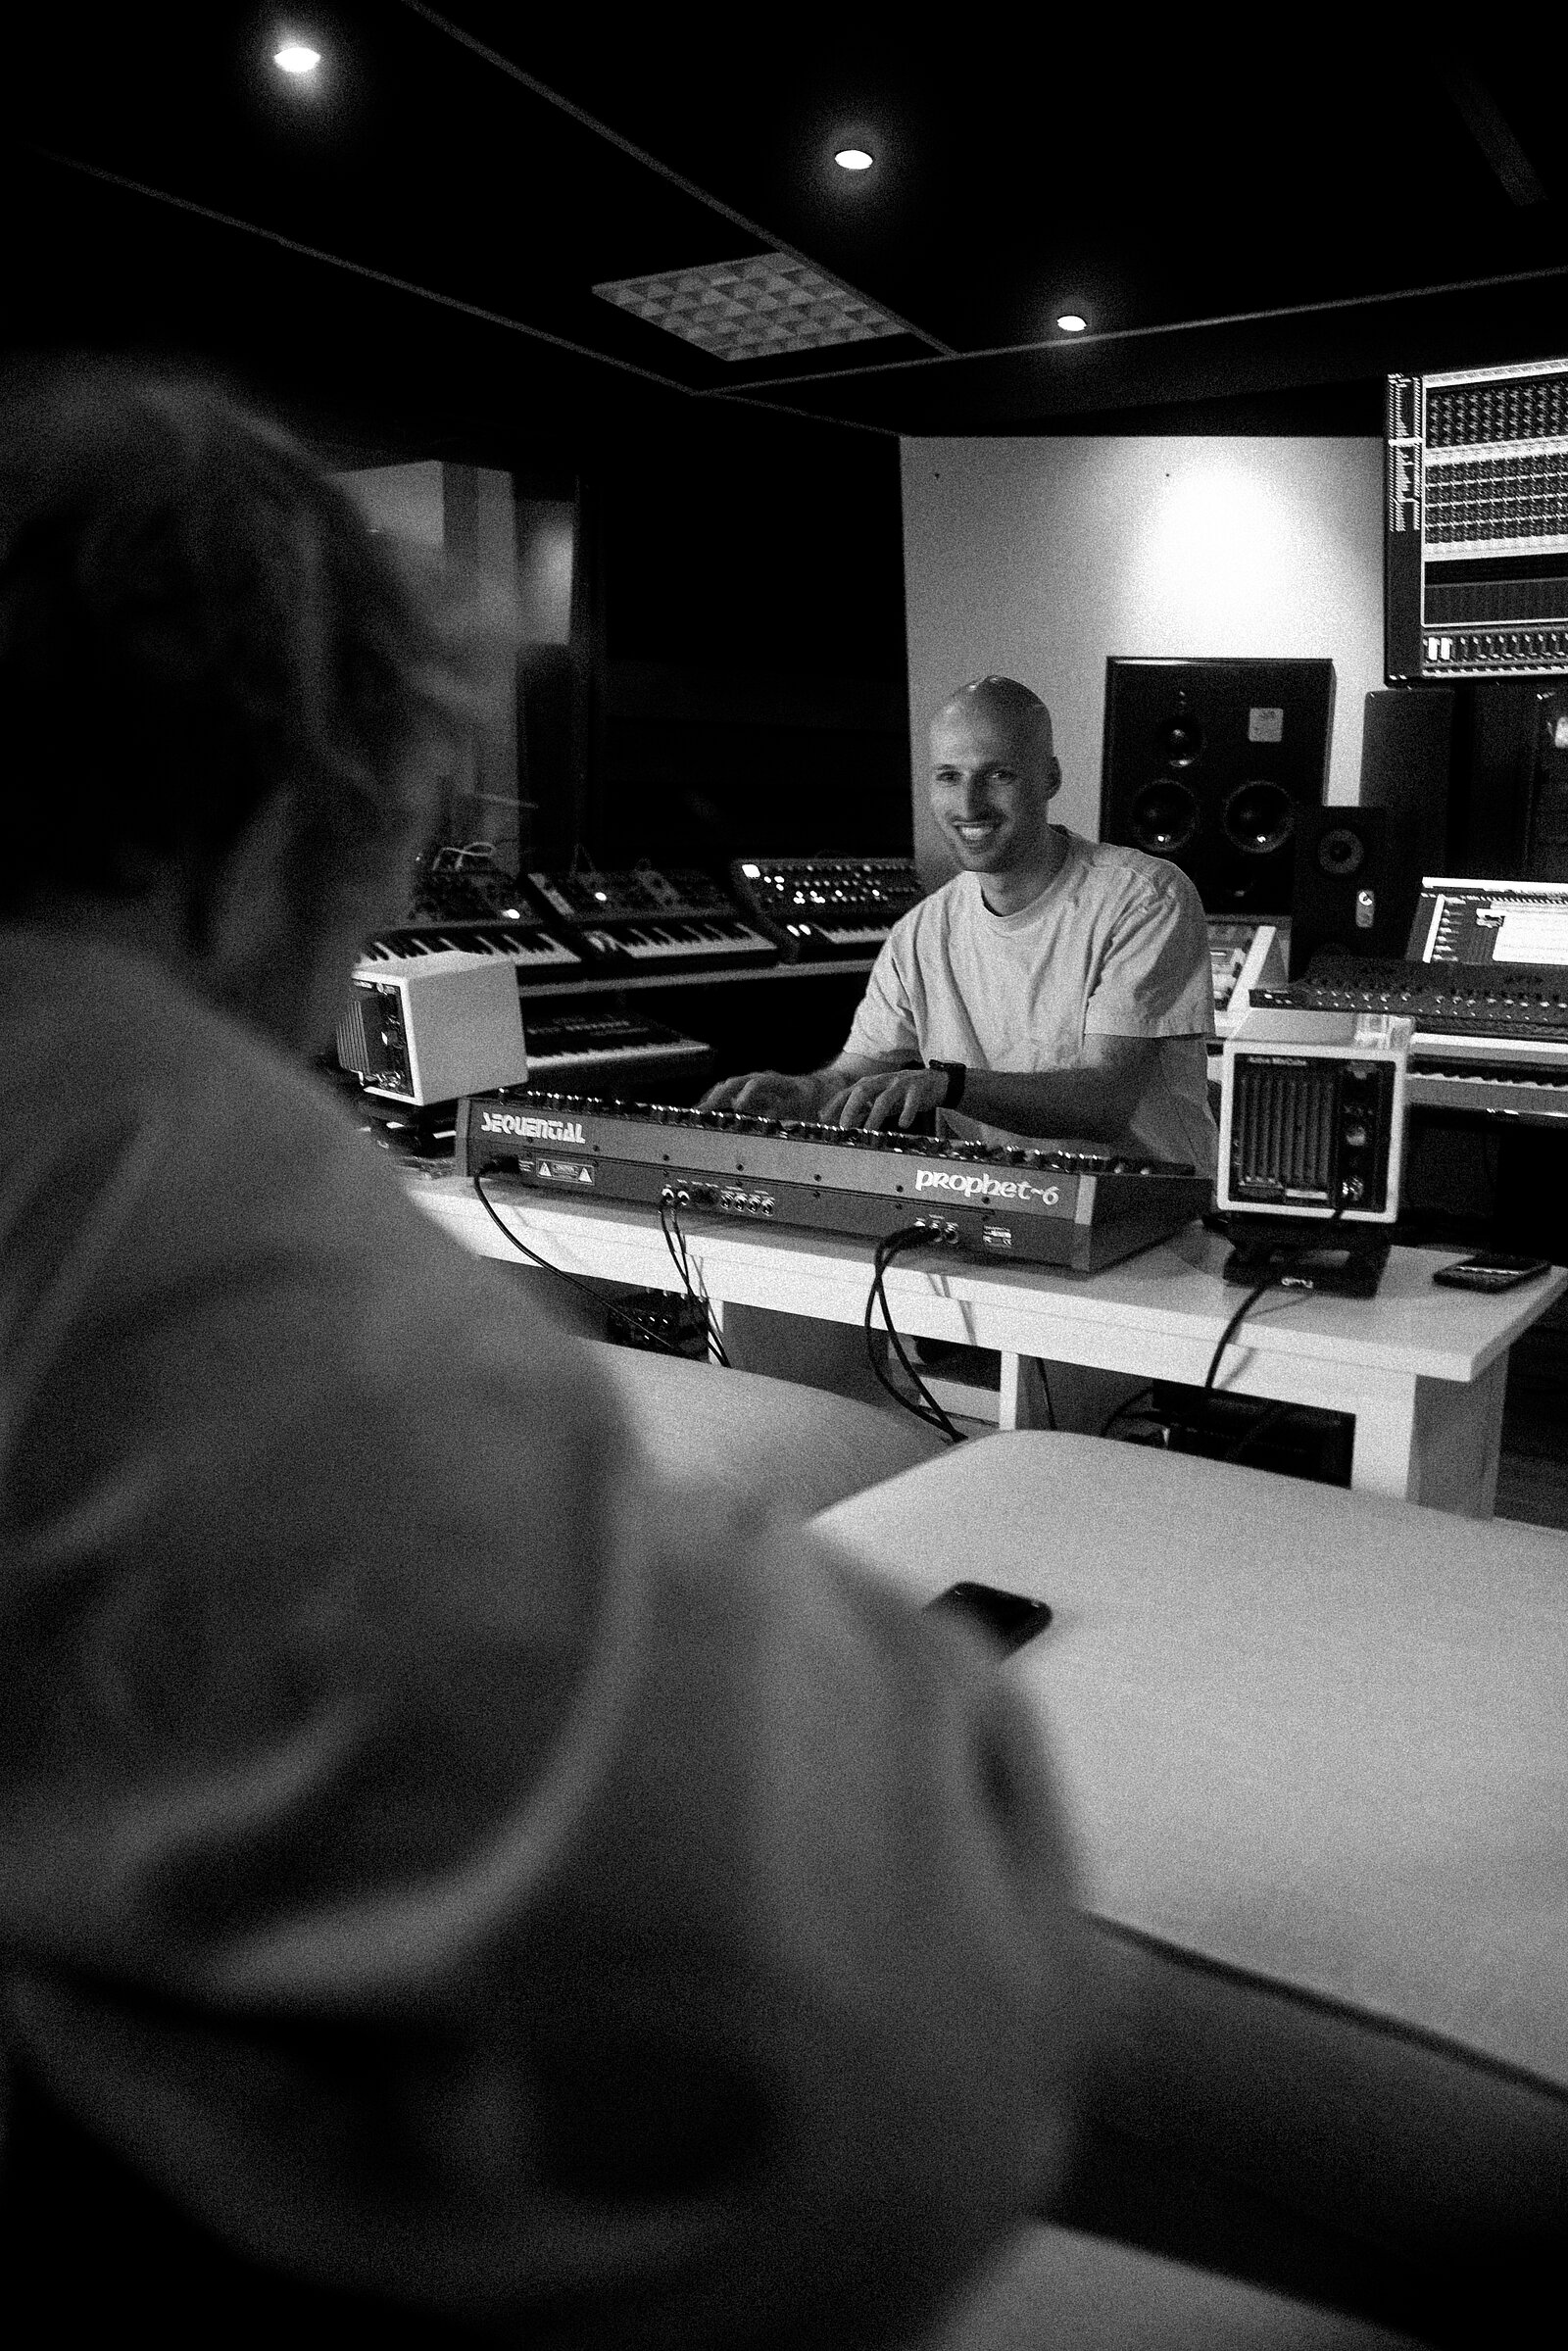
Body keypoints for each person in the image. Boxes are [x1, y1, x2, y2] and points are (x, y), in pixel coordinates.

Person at [0, 360, 1094, 2342]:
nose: (338, 1012)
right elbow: (895, 2051)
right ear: (264, 846)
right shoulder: (131, 1172)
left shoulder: (1137, 900)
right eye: (368, 902)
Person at [706, 674, 1216, 1176]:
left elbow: (1105, 1102)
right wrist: (802, 1091)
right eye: (949, 776)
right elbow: (855, 1073)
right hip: (993, 1204)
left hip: (1156, 1217)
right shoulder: (921, 931)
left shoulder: (1144, 895)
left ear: (1051, 778)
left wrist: (949, 1085)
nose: (969, 804)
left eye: (998, 775)